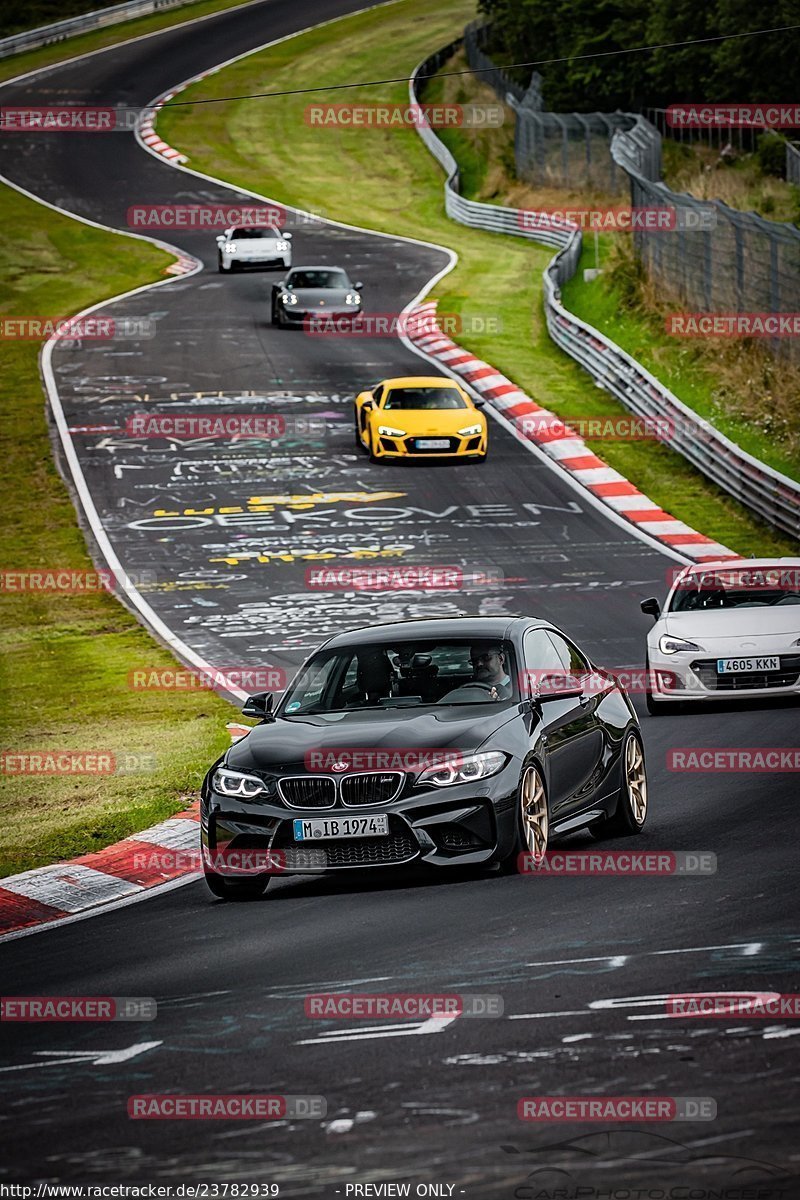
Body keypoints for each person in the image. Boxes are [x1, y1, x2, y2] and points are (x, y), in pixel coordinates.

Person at [441, 642, 512, 702]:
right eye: (474, 660)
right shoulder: (466, 691)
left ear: (501, 659)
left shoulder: (516, 689)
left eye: (485, 658)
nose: (479, 664)